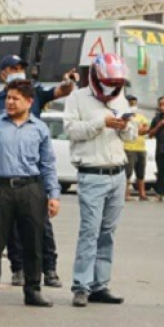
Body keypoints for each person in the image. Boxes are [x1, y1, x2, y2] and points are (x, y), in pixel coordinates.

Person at [0, 81, 61, 309]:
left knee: (33, 241)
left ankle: (33, 290)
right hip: (1, 189)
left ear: (29, 102)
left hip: (32, 189)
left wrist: (54, 195)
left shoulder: (39, 129)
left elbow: (48, 164)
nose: (9, 102)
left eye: (15, 98)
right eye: (8, 97)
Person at [0, 55, 76, 288]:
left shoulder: (35, 93)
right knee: (11, 231)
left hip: (32, 177)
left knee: (41, 228)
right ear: (3, 74)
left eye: (21, 68)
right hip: (6, 177)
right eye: (13, 68)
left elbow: (61, 91)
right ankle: (17, 268)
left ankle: (50, 269)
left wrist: (69, 81)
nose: (18, 72)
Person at [64, 53, 137, 307]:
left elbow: (130, 136)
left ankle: (100, 285)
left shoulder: (120, 97)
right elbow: (71, 130)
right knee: (89, 232)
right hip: (92, 173)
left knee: (108, 233)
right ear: (96, 77)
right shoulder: (77, 98)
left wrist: (125, 126)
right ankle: (81, 286)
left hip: (117, 173)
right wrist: (101, 122)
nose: (111, 87)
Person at [123, 95, 150, 201]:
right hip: (128, 147)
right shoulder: (124, 117)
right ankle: (126, 194)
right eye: (131, 103)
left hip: (141, 148)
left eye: (134, 103)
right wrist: (138, 130)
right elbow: (128, 130)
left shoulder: (141, 117)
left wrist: (137, 130)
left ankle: (142, 194)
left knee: (141, 172)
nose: (133, 105)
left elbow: (146, 129)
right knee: (127, 173)